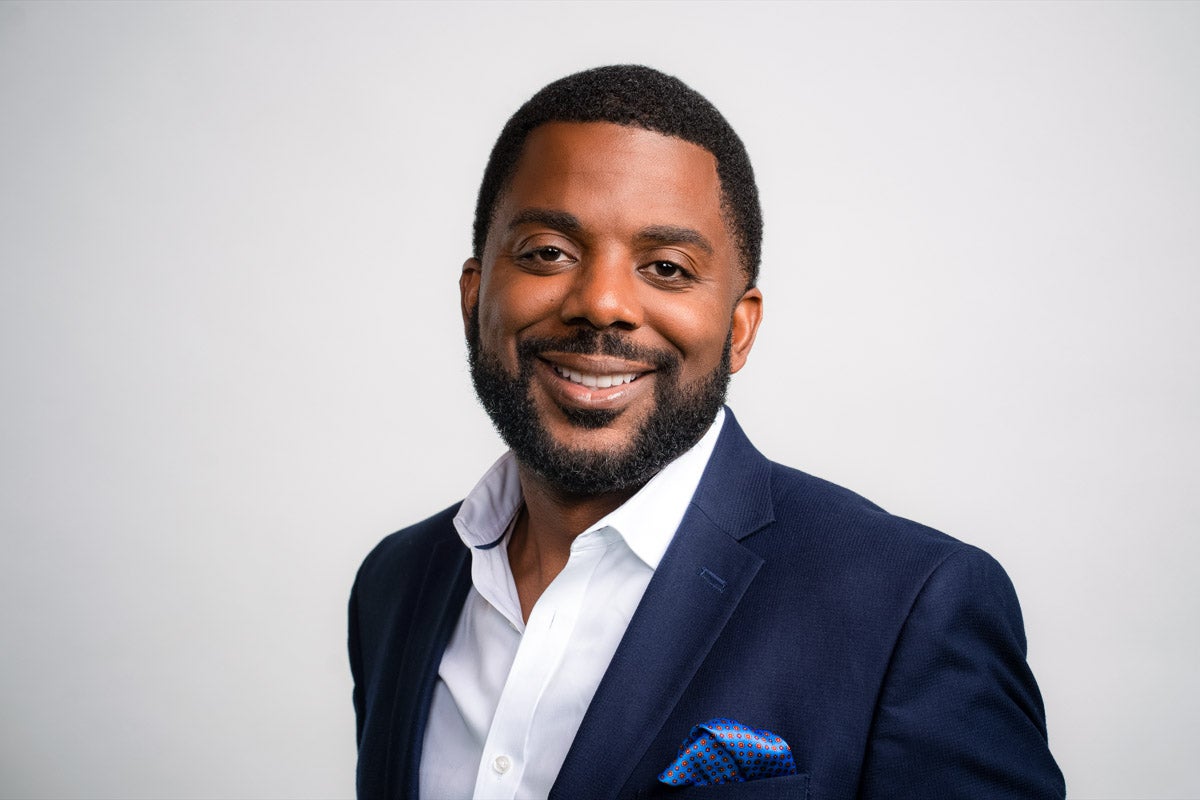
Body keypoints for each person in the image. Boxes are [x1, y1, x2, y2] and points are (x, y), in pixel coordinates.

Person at [349, 65, 1065, 800]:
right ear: (474, 296)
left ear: (739, 329)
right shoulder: (395, 585)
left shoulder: (909, 608)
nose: (602, 302)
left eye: (666, 267)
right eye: (548, 253)